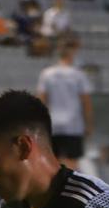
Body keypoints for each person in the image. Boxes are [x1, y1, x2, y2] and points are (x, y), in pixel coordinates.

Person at [36, 40, 93, 169]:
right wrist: (89, 124)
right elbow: (86, 102)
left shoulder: (47, 73)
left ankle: (56, 188)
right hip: (73, 125)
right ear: (72, 54)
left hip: (53, 124)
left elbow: (41, 100)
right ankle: (69, 187)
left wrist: (40, 124)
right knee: (72, 162)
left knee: (53, 161)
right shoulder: (78, 75)